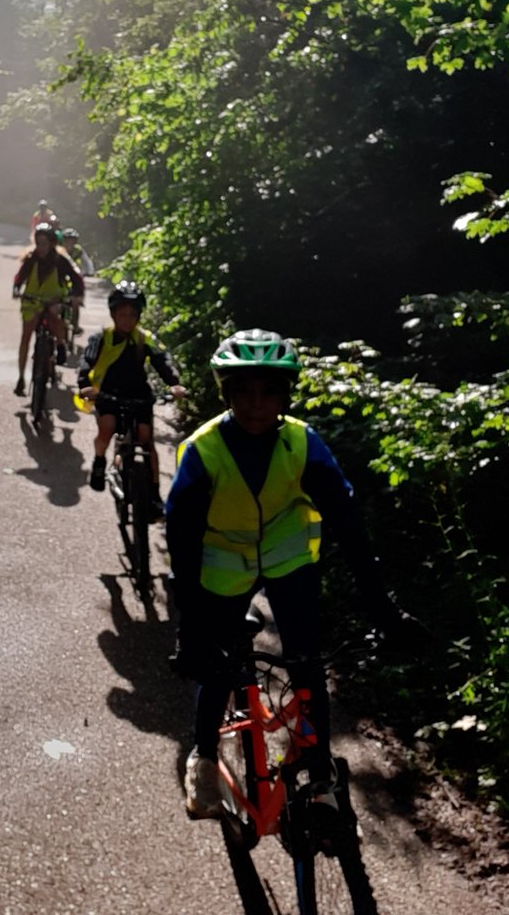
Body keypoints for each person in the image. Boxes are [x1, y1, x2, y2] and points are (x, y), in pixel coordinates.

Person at [166, 329, 411, 820]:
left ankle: (319, 772)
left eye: (269, 391)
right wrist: (190, 632)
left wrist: (382, 607)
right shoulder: (203, 451)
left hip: (287, 558)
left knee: (307, 666)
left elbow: (349, 525)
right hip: (222, 565)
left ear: (285, 395)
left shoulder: (302, 443)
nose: (256, 404)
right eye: (243, 391)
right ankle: (204, 757)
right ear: (226, 393)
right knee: (216, 663)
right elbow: (183, 544)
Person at [77, 280, 186, 514]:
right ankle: (99, 461)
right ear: (113, 314)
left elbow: (162, 360)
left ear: (139, 316)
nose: (127, 319)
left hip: (139, 395)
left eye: (132, 314)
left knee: (146, 439)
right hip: (108, 393)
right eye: (122, 314)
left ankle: (154, 494)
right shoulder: (102, 337)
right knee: (107, 427)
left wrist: (174, 384)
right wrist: (84, 385)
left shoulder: (144, 338)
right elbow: (87, 360)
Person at [12, 223, 84, 396]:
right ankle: (21, 378)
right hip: (32, 301)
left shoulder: (61, 260)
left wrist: (76, 295)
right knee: (26, 336)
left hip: (54, 300)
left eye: (44, 244)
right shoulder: (31, 259)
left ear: (52, 244)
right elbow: (20, 277)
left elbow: (76, 278)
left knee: (55, 315)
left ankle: (60, 345)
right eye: (38, 243)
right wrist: (16, 289)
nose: (40, 248)